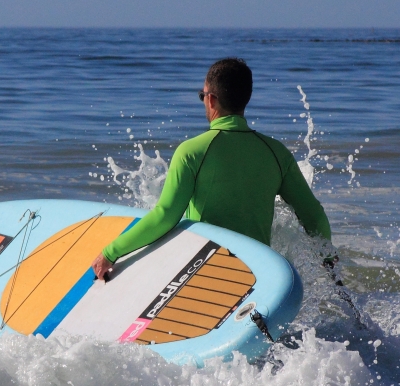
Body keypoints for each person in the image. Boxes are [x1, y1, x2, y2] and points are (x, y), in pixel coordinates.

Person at [91, 58, 332, 280]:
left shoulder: (192, 151)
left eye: (202, 95)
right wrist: (329, 260)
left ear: (212, 99)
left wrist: (111, 252)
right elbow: (314, 217)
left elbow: (164, 217)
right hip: (256, 276)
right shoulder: (277, 153)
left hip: (203, 274)